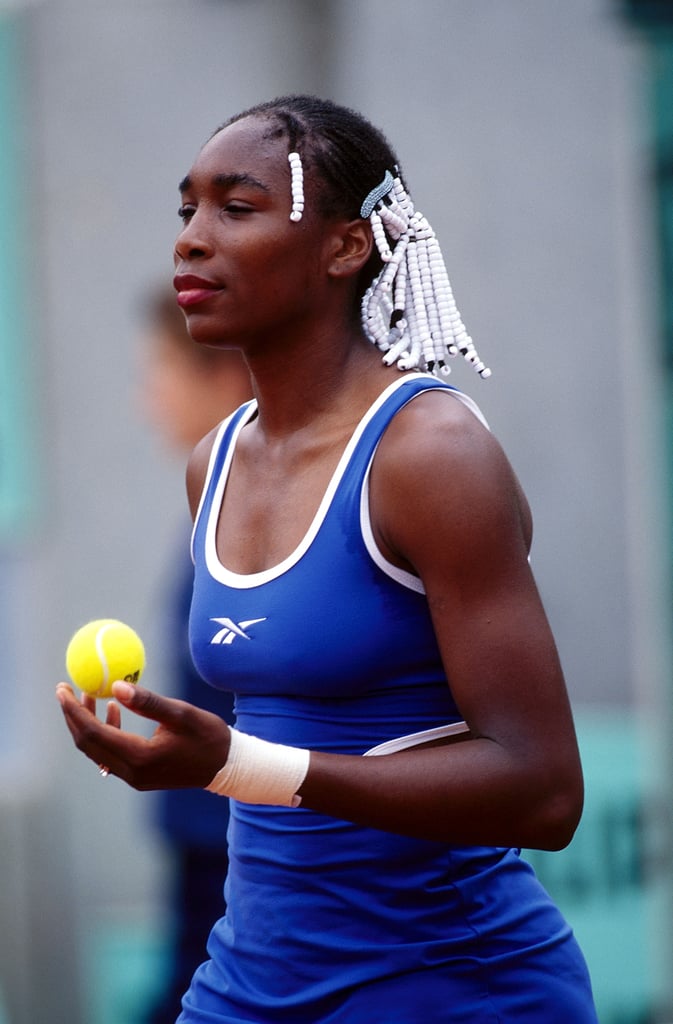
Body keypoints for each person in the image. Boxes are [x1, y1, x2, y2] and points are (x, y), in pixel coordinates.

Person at [57, 95, 598, 1023]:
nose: (191, 237)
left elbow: (542, 792)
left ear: (346, 247)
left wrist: (237, 765)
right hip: (246, 985)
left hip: (447, 988)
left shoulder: (430, 457)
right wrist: (195, 754)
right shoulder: (214, 463)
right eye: (184, 208)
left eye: (237, 206)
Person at [140, 287, 252, 1024]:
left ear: (221, 378)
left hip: (238, 870)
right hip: (202, 855)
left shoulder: (258, 524)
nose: (146, 397)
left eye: (158, 370)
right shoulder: (216, 507)